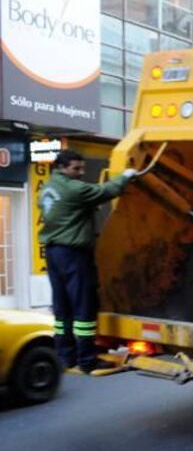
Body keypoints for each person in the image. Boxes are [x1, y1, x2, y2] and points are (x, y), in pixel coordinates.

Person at [38, 151, 137, 373]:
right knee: (84, 307)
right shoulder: (73, 189)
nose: (81, 173)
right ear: (62, 167)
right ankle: (87, 359)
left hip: (54, 252)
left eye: (82, 168)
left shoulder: (48, 188)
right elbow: (107, 191)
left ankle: (66, 356)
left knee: (62, 307)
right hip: (73, 254)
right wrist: (127, 175)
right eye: (76, 169)